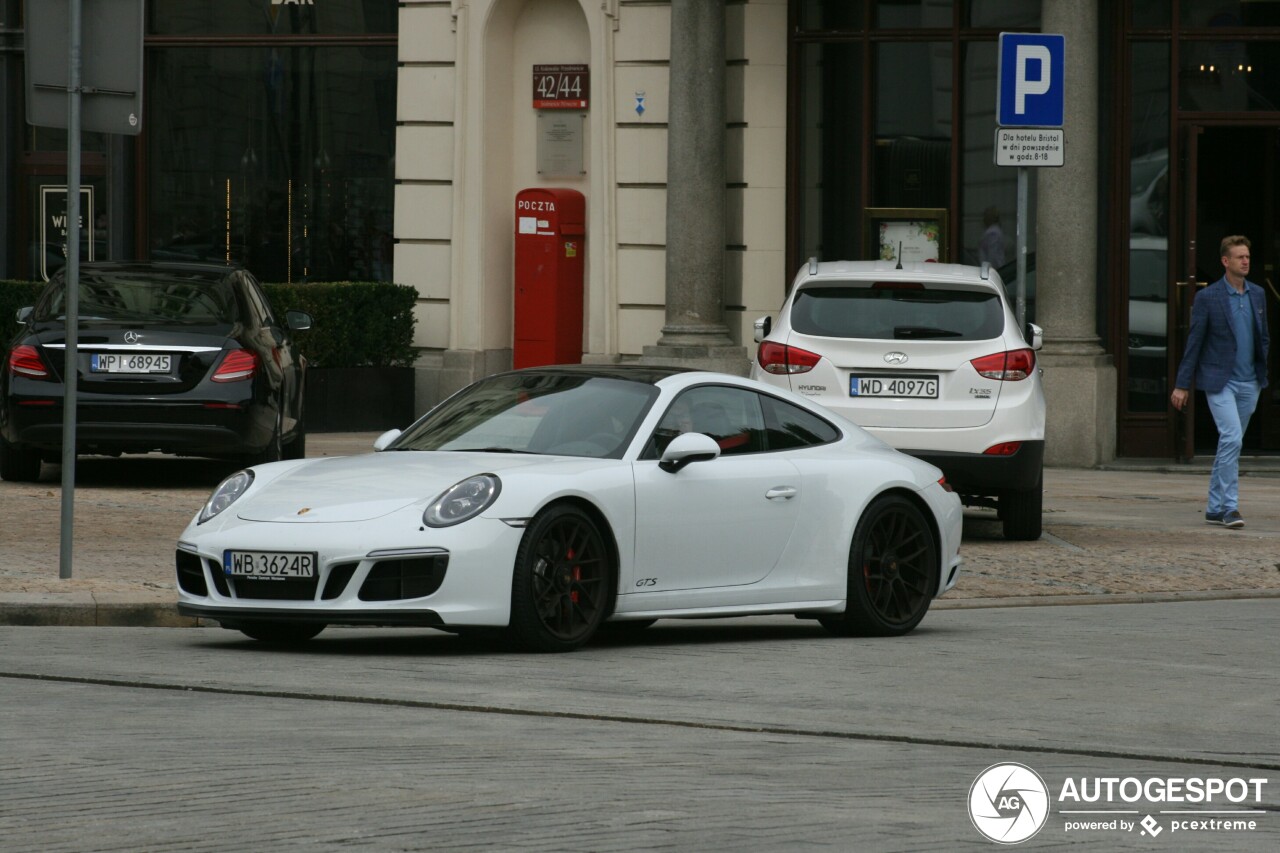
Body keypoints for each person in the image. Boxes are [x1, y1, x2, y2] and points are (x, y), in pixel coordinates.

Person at [1171, 235, 1270, 529]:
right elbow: (1195, 343)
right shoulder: (1208, 297)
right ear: (1225, 261)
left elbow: (1262, 336)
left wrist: (1261, 372)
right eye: (1240, 257)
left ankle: (1214, 507)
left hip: (1249, 382)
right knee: (1231, 439)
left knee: (1230, 445)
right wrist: (1181, 384)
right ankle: (1229, 507)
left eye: (1248, 257)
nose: (1246, 261)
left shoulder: (1258, 294)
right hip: (1219, 381)